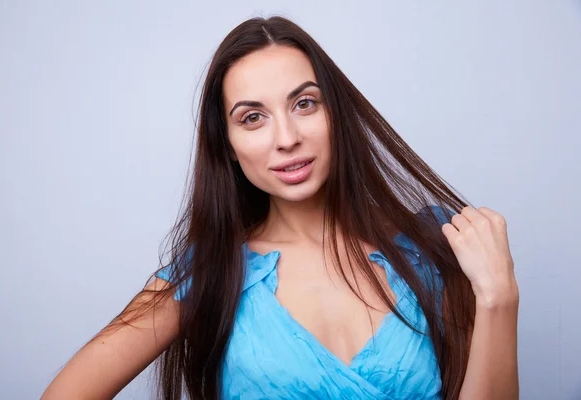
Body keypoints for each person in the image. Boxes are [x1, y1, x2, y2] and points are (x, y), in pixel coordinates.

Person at [41, 15, 519, 400]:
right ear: (227, 144)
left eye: (305, 104)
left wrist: (499, 299)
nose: (287, 139)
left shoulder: (431, 247)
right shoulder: (211, 273)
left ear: (337, 111)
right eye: (252, 118)